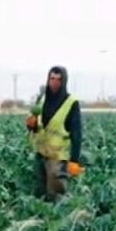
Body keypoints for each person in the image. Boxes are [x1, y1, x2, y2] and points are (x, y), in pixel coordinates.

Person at [27, 66, 82, 201]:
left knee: (55, 195)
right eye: (52, 79)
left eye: (59, 79)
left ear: (64, 82)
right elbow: (36, 125)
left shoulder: (71, 103)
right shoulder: (42, 99)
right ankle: (41, 219)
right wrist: (31, 125)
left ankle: (58, 220)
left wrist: (74, 160)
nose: (55, 82)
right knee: (39, 193)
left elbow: (77, 133)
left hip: (57, 157)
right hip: (40, 152)